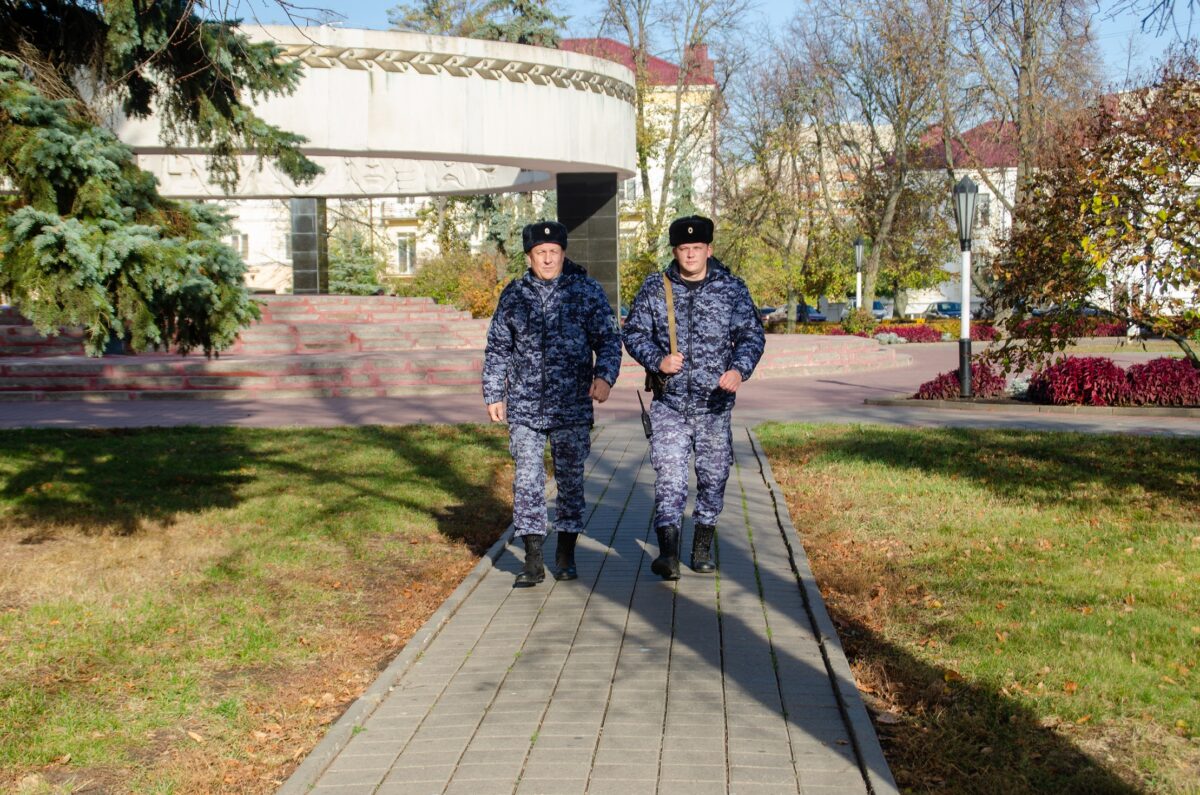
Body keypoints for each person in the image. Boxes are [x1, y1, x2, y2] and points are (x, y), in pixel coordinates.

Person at [622, 215, 766, 580]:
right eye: (684, 249)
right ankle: (668, 554)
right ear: (675, 251)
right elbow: (634, 331)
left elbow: (752, 335)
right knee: (669, 477)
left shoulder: (731, 289)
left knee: (713, 478)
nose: (690, 255)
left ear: (709, 250)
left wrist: (738, 370)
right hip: (670, 404)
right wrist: (658, 360)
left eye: (697, 249)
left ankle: (702, 544)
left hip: (714, 405)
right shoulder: (657, 288)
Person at [482, 220, 623, 586]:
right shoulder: (514, 295)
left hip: (572, 404)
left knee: (570, 480)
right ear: (529, 257)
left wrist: (605, 376)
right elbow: (498, 347)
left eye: (554, 252)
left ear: (563, 253)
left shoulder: (585, 291)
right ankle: (531, 558)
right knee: (527, 479)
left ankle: (566, 553)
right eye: (540, 253)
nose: (548, 259)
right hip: (526, 405)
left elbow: (608, 338)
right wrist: (494, 393)